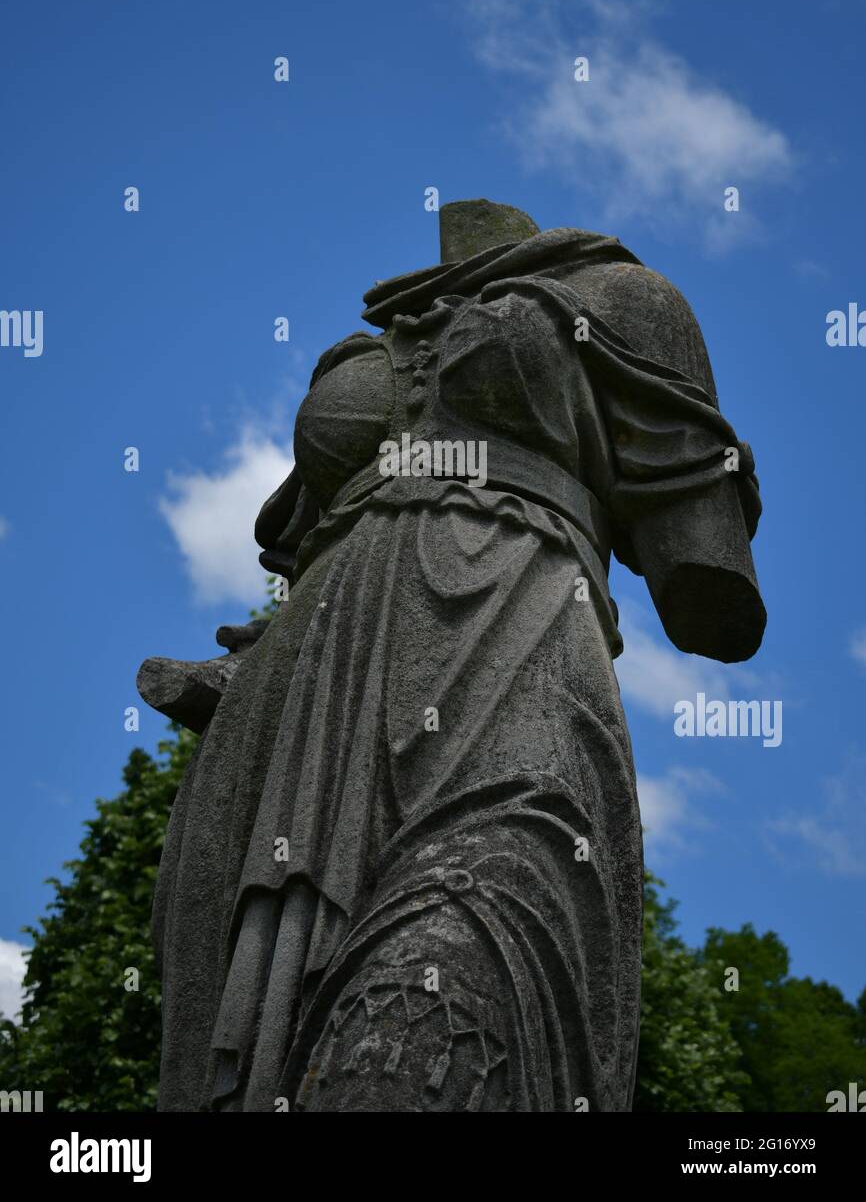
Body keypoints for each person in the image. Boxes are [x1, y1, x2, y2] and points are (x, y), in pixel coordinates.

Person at [146, 200, 765, 1112]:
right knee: (243, 1046)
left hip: (514, 629)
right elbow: (309, 544)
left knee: (461, 950)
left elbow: (710, 590)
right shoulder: (379, 340)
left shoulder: (625, 295)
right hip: (303, 698)